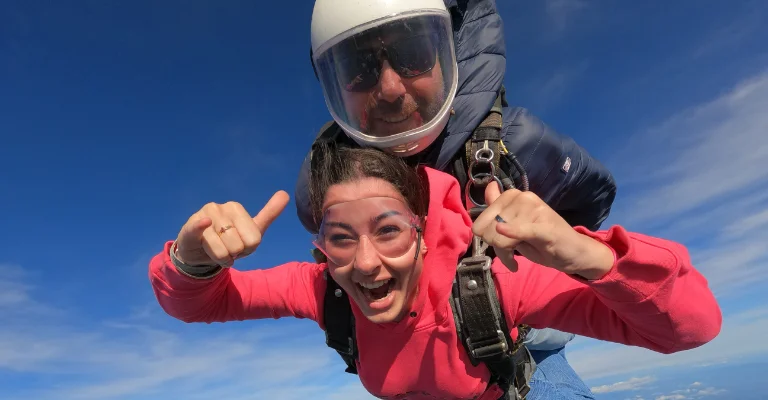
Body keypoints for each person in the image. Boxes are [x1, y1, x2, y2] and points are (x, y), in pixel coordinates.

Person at [150, 144, 722, 400]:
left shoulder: (495, 279)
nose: (366, 263)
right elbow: (198, 302)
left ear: (423, 233)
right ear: (320, 248)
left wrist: (586, 256)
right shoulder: (323, 287)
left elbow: (688, 328)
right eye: (341, 238)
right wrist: (192, 261)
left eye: (389, 230)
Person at [297, 0, 614, 396]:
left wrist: (559, 252)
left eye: (413, 54)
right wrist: (202, 266)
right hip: (414, 363)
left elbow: (591, 196)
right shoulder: (328, 182)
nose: (390, 88)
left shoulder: (516, 146)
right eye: (359, 70)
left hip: (522, 351)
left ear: (449, 53)